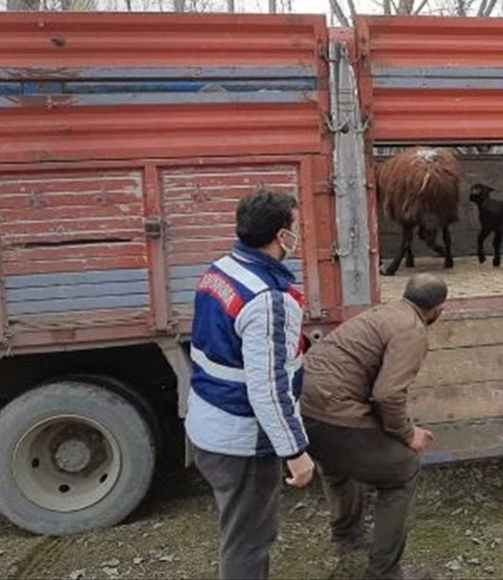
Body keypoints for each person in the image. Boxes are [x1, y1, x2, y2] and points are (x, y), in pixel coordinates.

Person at [185, 190, 316, 580]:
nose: (300, 232)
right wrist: (296, 451)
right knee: (249, 540)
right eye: (297, 226)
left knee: (239, 532)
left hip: (209, 421)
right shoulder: (268, 299)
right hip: (240, 440)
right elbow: (268, 387)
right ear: (281, 236)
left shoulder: (222, 270)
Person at [299, 273, 448, 580]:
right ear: (439, 308)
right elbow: (388, 394)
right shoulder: (412, 330)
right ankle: (384, 573)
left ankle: (347, 536)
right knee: (403, 470)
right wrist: (408, 434)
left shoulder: (383, 313)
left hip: (301, 403)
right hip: (333, 408)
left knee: (340, 460)